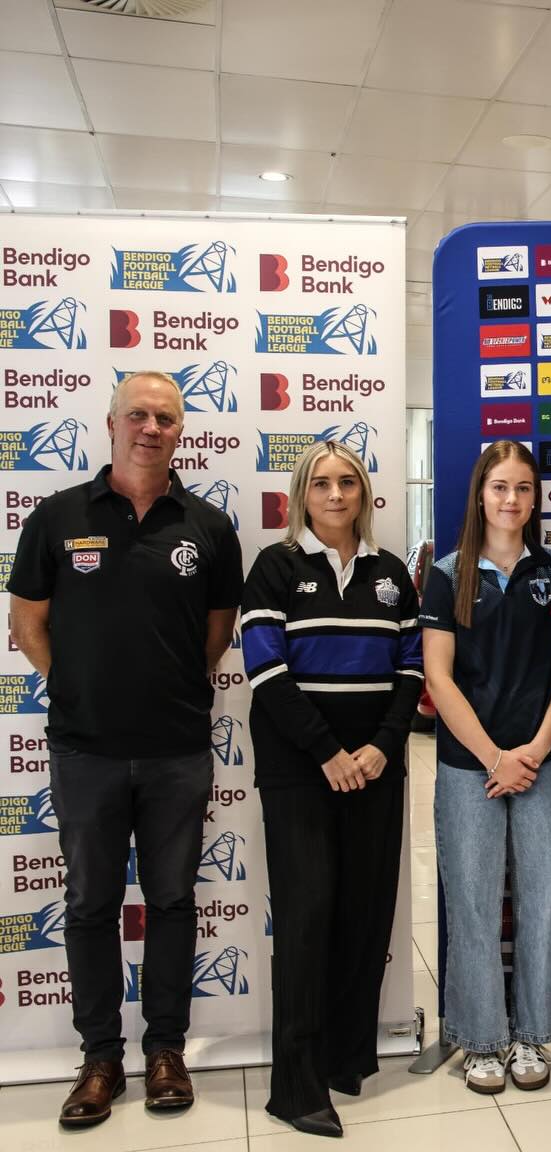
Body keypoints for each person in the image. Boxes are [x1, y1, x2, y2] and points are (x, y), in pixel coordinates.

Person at [6, 371, 243, 1129]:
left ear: (181, 431)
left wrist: (168, 690)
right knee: (89, 906)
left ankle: (166, 1050)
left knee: (172, 902)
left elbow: (216, 634)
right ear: (111, 423)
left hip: (177, 751)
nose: (151, 428)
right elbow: (26, 623)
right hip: (86, 752)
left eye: (165, 418)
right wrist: (75, 688)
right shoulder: (56, 516)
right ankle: (100, 1059)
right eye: (137, 414)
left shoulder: (209, 527)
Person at [240, 439, 422, 1138]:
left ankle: (346, 1058)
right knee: (308, 915)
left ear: (365, 493)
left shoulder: (390, 574)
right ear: (302, 495)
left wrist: (381, 745)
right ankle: (295, 1086)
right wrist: (327, 752)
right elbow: (266, 670)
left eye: (348, 481)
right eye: (322, 483)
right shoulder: (275, 566)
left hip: (374, 765)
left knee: (364, 912)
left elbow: (411, 669)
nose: (337, 494)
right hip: (300, 768)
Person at [420, 441, 551, 1096]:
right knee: (474, 905)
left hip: (543, 762)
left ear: (535, 500)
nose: (512, 499)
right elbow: (438, 678)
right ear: (480, 494)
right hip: (468, 766)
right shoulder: (447, 573)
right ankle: (481, 1039)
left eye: (523, 489)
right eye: (500, 487)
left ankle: (532, 1033)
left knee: (542, 901)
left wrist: (532, 752)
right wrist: (494, 758)